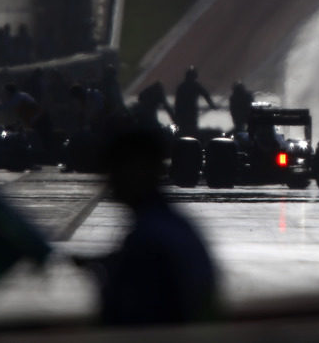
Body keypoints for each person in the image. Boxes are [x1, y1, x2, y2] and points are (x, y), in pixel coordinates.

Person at [74, 124, 219, 325]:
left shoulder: (147, 240)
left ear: (137, 170)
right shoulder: (174, 225)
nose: (109, 182)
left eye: (114, 170)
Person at [173, 66, 217, 138]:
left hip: (183, 113)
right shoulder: (195, 85)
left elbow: (177, 103)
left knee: (184, 130)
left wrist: (176, 115)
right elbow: (205, 95)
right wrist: (212, 105)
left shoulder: (182, 86)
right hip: (190, 113)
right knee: (191, 130)